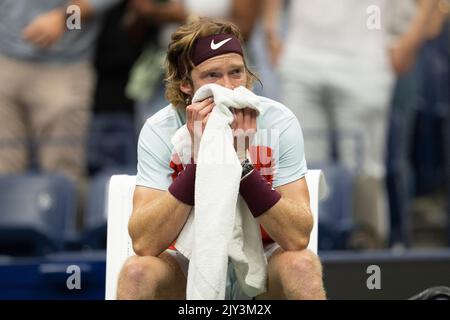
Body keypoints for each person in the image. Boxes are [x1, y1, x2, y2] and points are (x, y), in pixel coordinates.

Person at [117, 17, 326, 300]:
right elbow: (144, 242)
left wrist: (241, 163)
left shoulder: (278, 122)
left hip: (263, 266)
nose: (228, 88)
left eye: (236, 73)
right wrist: (200, 161)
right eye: (212, 76)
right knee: (136, 272)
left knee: (301, 265)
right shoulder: (160, 130)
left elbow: (298, 236)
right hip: (187, 266)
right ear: (186, 85)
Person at [262, 0, 438, 249]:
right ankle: (305, 265)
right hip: (301, 57)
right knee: (299, 171)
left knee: (365, 173)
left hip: (364, 61)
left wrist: (411, 40)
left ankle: (370, 270)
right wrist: (270, 28)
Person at [0, 0, 119, 185]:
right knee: (3, 170)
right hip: (5, 59)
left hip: (64, 65)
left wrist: (65, 17)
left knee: (63, 174)